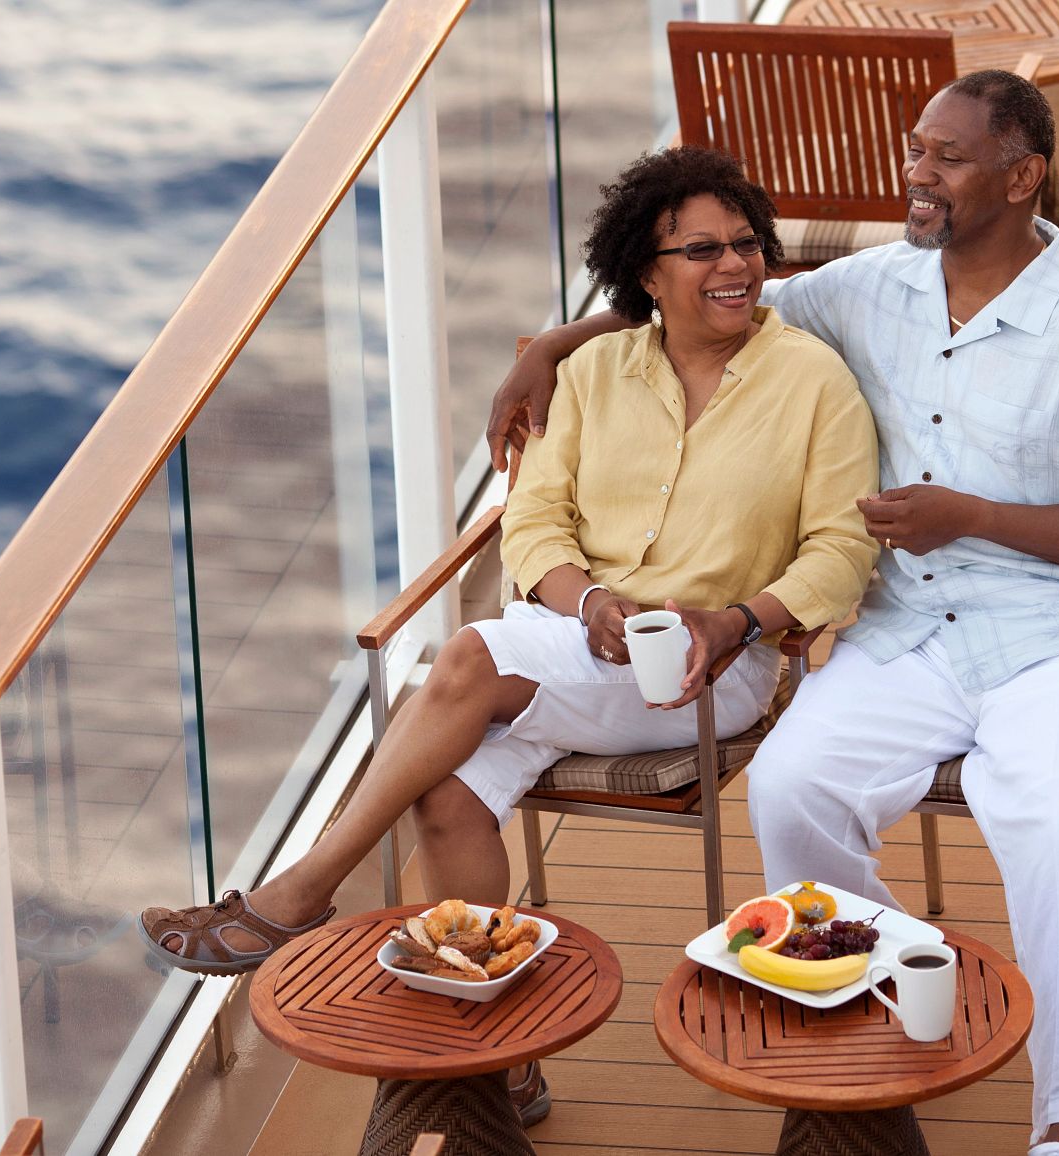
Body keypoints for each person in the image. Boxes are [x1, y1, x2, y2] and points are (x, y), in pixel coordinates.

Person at [485, 73, 1059, 1156]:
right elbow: (717, 297)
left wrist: (971, 517)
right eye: (915, 148)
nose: (915, 172)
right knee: (792, 783)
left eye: (945, 157)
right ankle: (891, 1015)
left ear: (1021, 175)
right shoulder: (877, 286)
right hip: (906, 627)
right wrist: (551, 345)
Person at [140, 147, 878, 1122]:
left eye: (744, 243)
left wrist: (736, 620)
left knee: (467, 658)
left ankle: (298, 893)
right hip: (567, 643)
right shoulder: (599, 370)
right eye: (700, 248)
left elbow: (842, 548)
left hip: (708, 669)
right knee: (444, 797)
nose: (732, 264)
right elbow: (531, 524)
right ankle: (504, 1053)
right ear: (644, 273)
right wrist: (588, 605)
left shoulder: (810, 379)